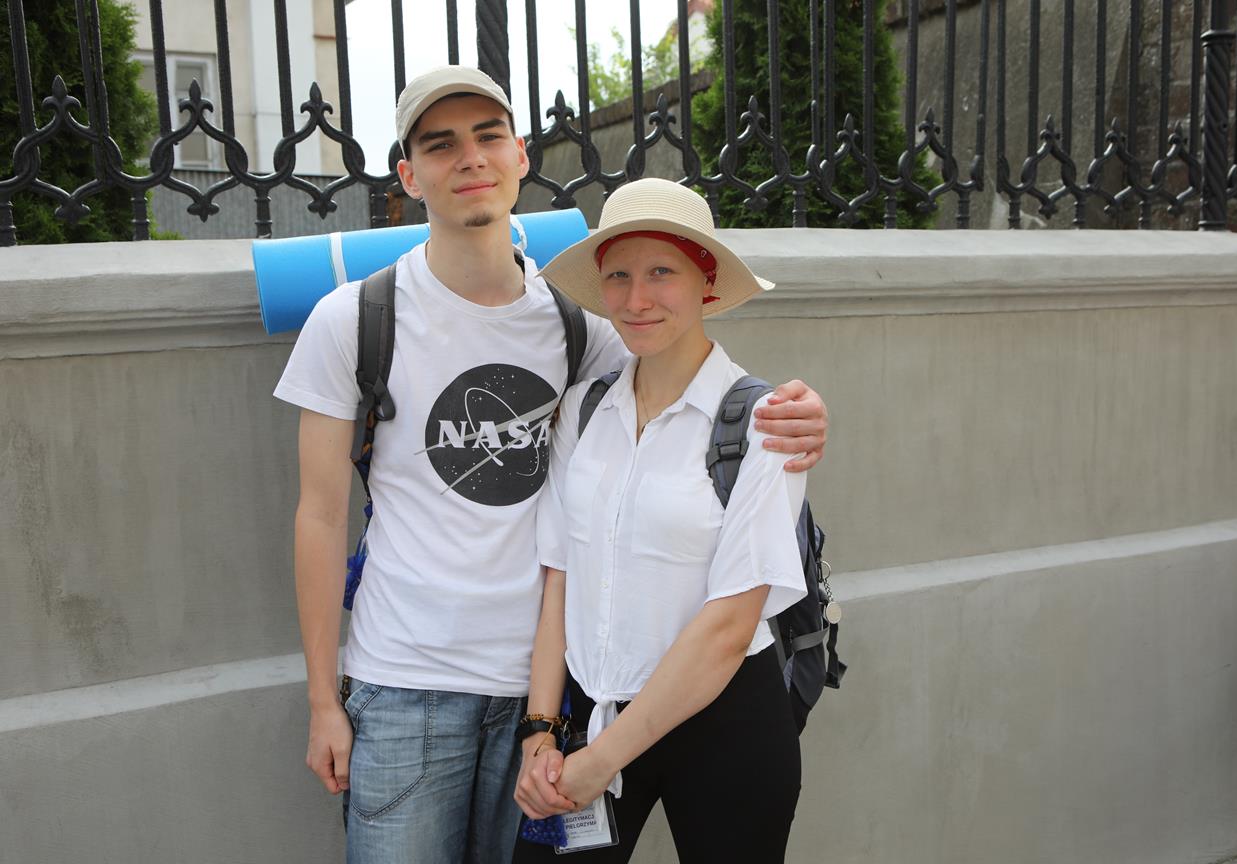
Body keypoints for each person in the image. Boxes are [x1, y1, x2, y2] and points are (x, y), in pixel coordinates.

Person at [274, 66, 827, 864]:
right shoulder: (353, 320)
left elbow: (680, 375)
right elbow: (321, 515)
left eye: (488, 136)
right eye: (441, 144)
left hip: (549, 696)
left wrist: (799, 415)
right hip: (407, 683)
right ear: (408, 175)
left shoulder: (583, 332)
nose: (470, 158)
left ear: (521, 154)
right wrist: (324, 700)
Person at [513, 178, 808, 863]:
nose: (636, 299)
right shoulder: (584, 411)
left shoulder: (767, 425)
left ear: (707, 282)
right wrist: (541, 730)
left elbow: (728, 628)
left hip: (724, 722)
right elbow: (561, 576)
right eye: (618, 275)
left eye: (661, 273)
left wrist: (600, 760)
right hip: (591, 710)